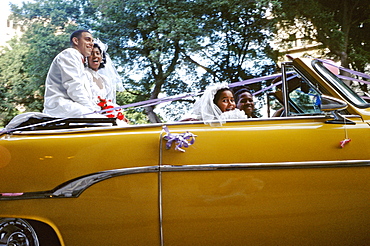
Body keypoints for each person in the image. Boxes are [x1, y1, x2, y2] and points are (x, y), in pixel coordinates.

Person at [43, 30, 102, 118]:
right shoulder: (69, 54)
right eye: (87, 39)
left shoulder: (82, 65)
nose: (91, 43)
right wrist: (92, 111)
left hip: (75, 106)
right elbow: (74, 87)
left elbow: (89, 94)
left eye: (92, 41)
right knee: (102, 122)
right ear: (76, 41)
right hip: (61, 106)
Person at [86, 42, 129, 123]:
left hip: (104, 115)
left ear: (101, 58)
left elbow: (108, 101)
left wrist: (118, 114)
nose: (95, 56)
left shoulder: (105, 79)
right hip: (90, 114)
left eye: (97, 53)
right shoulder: (84, 74)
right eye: (91, 54)